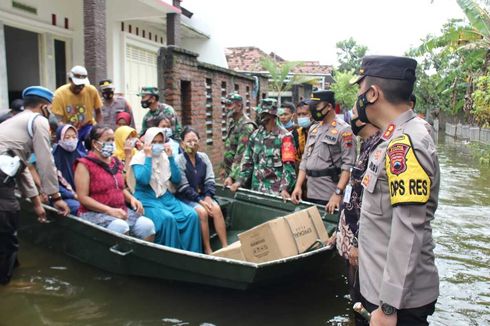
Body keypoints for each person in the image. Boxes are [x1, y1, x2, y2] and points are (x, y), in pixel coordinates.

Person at [351, 55, 440, 325]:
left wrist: (388, 307)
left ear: (373, 93)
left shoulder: (407, 142)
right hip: (379, 289)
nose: (357, 98)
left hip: (396, 304)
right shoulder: (392, 135)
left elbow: (409, 230)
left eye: (359, 89)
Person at [0, 86, 70, 284]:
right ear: (44, 106)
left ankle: (12, 274)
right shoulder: (38, 121)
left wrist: (37, 203)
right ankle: (7, 285)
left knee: (6, 227)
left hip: (5, 173)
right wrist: (56, 197)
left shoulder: (14, 121)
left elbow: (21, 165)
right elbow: (45, 161)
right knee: (7, 230)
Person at [329, 105, 382, 326]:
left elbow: (370, 205)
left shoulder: (380, 147)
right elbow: (353, 197)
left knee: (363, 298)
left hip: (362, 243)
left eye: (355, 113)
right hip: (350, 236)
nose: (352, 117)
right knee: (355, 295)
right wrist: (338, 231)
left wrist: (359, 242)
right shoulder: (366, 145)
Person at [74, 125, 155, 241]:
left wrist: (132, 199)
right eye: (107, 140)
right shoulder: (84, 164)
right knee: (120, 227)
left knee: (147, 226)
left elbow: (119, 188)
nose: (111, 143)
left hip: (119, 209)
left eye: (112, 140)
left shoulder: (114, 162)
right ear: (95, 144)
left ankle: (142, 257)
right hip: (94, 213)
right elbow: (83, 197)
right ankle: (121, 258)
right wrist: (109, 211)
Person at [127, 127, 202, 253]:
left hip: (165, 196)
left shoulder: (164, 157)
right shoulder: (139, 158)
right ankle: (173, 255)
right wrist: (148, 157)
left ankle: (192, 253)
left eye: (160, 142)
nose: (157, 145)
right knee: (168, 219)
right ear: (147, 143)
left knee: (192, 215)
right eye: (154, 142)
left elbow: (176, 179)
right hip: (146, 199)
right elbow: (144, 180)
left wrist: (171, 158)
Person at [291, 90, 357, 214]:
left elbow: (348, 166)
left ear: (329, 107)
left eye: (316, 106)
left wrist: (338, 193)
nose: (313, 109)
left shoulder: (344, 130)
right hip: (309, 191)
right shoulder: (314, 129)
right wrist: (298, 186)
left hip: (328, 194)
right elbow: (305, 160)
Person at [230, 99, 296, 199]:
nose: (260, 116)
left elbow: (289, 167)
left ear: (273, 115)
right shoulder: (256, 135)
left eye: (264, 114)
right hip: (256, 189)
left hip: (275, 192)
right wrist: (240, 180)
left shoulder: (285, 137)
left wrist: (284, 188)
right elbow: (247, 161)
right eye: (259, 113)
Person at [176, 127, 227, 254]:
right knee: (202, 212)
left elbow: (210, 179)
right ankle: (207, 248)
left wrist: (208, 197)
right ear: (182, 143)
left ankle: (225, 246)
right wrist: (200, 201)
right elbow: (183, 187)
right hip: (186, 197)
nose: (192, 144)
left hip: (204, 195)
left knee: (216, 208)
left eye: (195, 140)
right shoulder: (179, 160)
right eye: (188, 141)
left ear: (199, 141)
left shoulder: (203, 157)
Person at [51, 66, 103, 143]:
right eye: (77, 84)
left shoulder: (92, 90)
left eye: (82, 85)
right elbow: (58, 120)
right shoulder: (59, 94)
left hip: (87, 127)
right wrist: (68, 132)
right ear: (70, 80)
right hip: (67, 128)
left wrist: (99, 129)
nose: (80, 87)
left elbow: (98, 112)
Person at [221, 93, 257, 188]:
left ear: (239, 105)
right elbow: (230, 148)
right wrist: (223, 168)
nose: (226, 108)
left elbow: (242, 155)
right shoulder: (234, 123)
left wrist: (232, 177)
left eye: (229, 105)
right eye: (225, 105)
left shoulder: (246, 126)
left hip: (240, 178)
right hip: (230, 174)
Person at [52, 124, 87, 189]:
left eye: (74, 137)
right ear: (60, 139)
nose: (71, 140)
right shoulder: (53, 157)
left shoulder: (82, 157)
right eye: (67, 137)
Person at [292, 100, 313, 165]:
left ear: (312, 114)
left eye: (304, 114)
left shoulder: (320, 131)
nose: (301, 117)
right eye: (299, 114)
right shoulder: (296, 133)